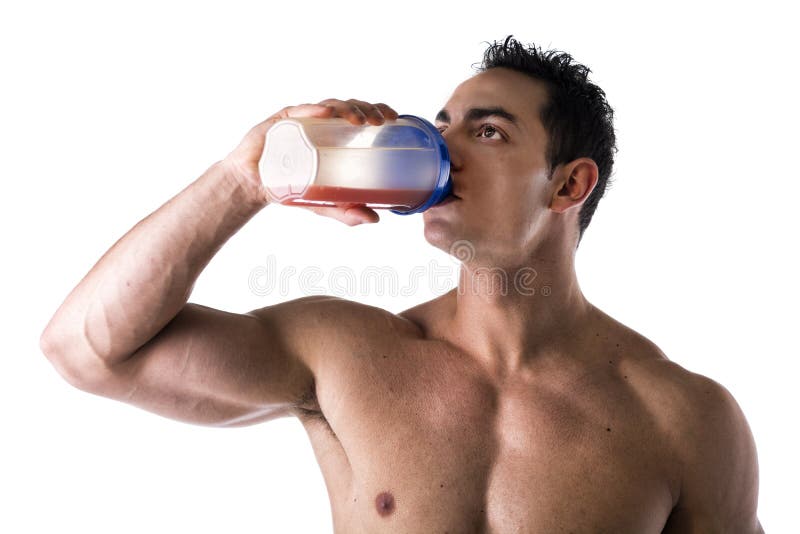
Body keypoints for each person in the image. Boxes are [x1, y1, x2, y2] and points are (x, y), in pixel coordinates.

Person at [40, 36, 763, 533]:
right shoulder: (346, 355)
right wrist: (242, 179)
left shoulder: (685, 419)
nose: (439, 152)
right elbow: (87, 350)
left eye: (486, 134)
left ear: (568, 185)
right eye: (440, 127)